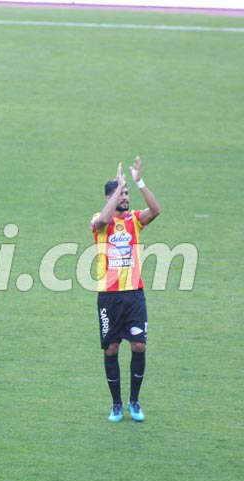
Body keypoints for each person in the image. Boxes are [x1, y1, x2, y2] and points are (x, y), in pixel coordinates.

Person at [90, 157, 161, 422]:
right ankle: (116, 404)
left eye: (127, 194)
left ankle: (134, 401)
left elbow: (156, 210)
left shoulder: (134, 220)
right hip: (109, 297)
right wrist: (119, 186)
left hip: (134, 295)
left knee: (139, 346)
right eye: (120, 193)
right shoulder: (99, 221)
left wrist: (138, 182)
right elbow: (103, 219)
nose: (125, 197)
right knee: (111, 349)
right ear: (109, 197)